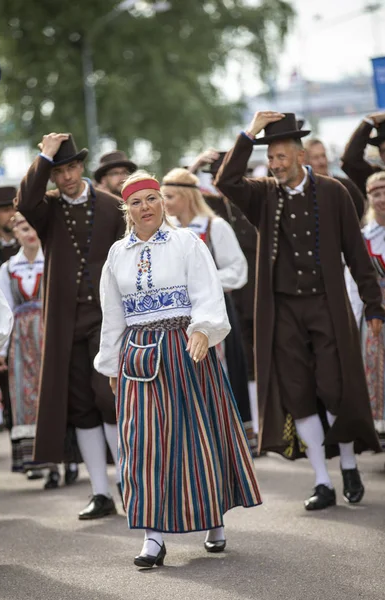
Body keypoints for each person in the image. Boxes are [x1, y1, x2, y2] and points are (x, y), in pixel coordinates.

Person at [215, 111, 385, 511]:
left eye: (279, 157)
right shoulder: (262, 194)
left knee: (334, 387)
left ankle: (347, 466)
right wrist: (249, 133)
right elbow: (225, 181)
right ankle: (322, 481)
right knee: (299, 393)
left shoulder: (334, 192)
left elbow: (356, 254)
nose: (273, 165)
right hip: (283, 312)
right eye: (269, 158)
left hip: (327, 307)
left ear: (299, 154)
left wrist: (375, 307)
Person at [95, 170, 262, 568]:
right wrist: (111, 363)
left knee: (197, 436)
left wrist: (203, 329)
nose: (146, 207)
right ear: (127, 210)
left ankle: (214, 519)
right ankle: (153, 537)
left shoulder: (188, 242)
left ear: (163, 202)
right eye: (136, 202)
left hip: (185, 349)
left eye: (152, 198)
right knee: (141, 445)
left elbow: (207, 289)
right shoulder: (118, 254)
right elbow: (112, 313)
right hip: (137, 356)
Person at [16, 132, 124, 519]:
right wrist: (42, 157)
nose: (66, 177)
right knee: (80, 406)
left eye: (71, 167)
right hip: (65, 322)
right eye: (58, 171)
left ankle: (127, 479)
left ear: (81, 166)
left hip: (107, 318)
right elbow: (24, 201)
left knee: (107, 397)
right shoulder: (46, 208)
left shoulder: (113, 206)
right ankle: (100, 492)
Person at [161, 167, 256, 449]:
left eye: (169, 196)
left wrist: (203, 281)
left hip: (214, 309)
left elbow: (238, 270)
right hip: (177, 315)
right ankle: (196, 439)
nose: (163, 203)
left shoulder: (215, 226)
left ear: (188, 197)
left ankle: (229, 437)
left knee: (220, 370)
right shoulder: (168, 233)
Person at [189, 149, 260, 451]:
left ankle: (257, 426)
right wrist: (195, 166)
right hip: (227, 294)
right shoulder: (211, 206)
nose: (220, 183)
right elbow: (180, 191)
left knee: (255, 357)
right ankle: (245, 426)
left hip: (256, 285)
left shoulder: (253, 198)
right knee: (238, 356)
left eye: (226, 175)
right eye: (216, 176)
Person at [0, 213, 73, 486]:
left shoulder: (50, 260)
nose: (29, 233)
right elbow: (3, 311)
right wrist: (0, 351)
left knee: (55, 393)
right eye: (23, 228)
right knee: (27, 399)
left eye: (32, 227)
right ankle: (43, 462)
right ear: (14, 232)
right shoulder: (8, 268)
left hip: (49, 333)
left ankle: (67, 459)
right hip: (21, 342)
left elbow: (64, 301)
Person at [345, 171, 385, 450]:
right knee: (376, 373)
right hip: (377, 320)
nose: (381, 198)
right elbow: (352, 283)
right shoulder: (363, 237)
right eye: (376, 193)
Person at [0, 187, 19, 438]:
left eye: (13, 208)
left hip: (25, 325)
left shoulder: (29, 240)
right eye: (4, 210)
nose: (10, 214)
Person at [304, 138, 365, 220]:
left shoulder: (345, 185)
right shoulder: (302, 189)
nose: (322, 161)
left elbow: (359, 211)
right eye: (315, 157)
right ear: (305, 161)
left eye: (323, 155)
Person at [341, 112, 385, 195]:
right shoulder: (376, 178)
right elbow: (350, 160)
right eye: (384, 150)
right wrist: (369, 122)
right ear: (380, 153)